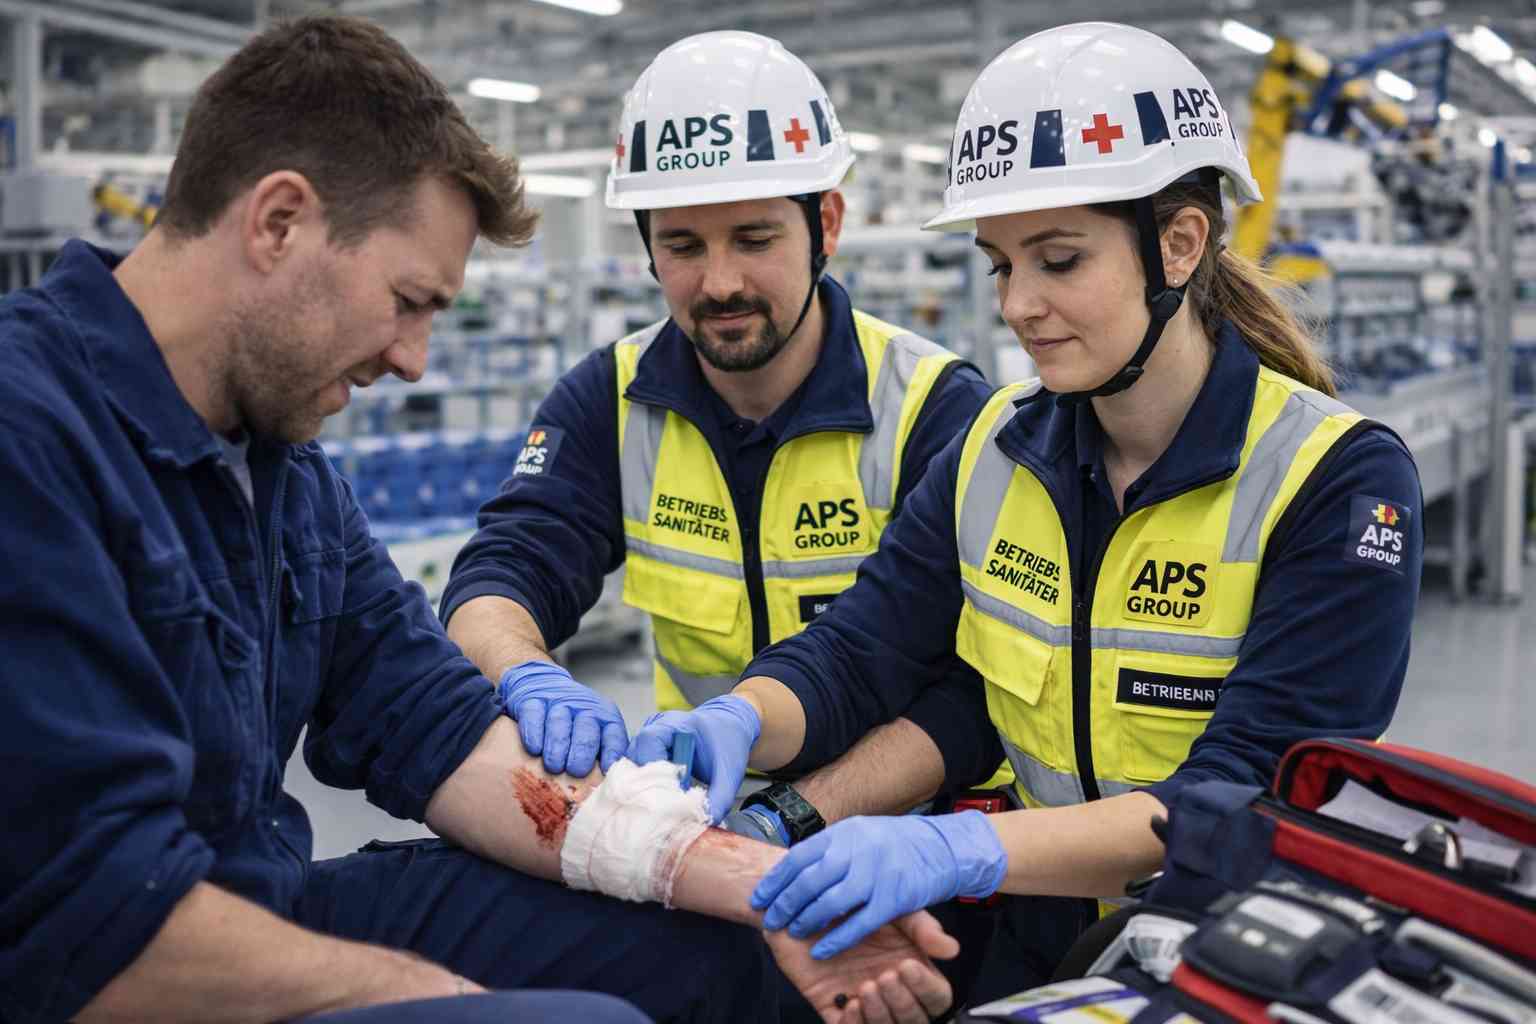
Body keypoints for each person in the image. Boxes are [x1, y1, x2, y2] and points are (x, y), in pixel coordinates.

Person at [0, 17, 957, 1024]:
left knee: (725, 947)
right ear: (279, 222)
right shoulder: (32, 441)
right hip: (112, 961)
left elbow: (434, 723)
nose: (414, 361)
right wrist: (440, 998)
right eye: (408, 300)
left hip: (248, 898)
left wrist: (757, 884)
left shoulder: (281, 468)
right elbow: (84, 925)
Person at [631, 20, 1425, 999]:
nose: (1017, 305)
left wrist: (959, 848)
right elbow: (864, 648)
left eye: (1058, 260)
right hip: (1037, 923)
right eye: (1002, 264)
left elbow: (1244, 794)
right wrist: (742, 719)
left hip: (1230, 946)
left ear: (1178, 245)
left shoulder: (1336, 482)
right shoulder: (996, 447)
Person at [440, 30, 1004, 838]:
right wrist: (525, 671)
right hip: (700, 827)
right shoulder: (609, 399)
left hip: (907, 839)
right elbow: (505, 565)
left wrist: (796, 814)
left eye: (754, 238)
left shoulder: (934, 409)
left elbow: (975, 688)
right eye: (682, 245)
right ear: (647, 249)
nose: (721, 282)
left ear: (826, 224)